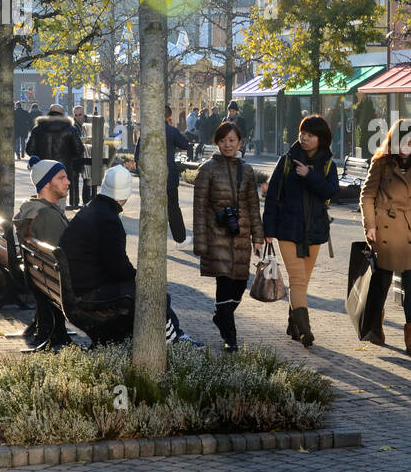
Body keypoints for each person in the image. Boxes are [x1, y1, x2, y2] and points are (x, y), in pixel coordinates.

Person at [59, 165, 193, 346]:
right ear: (126, 193)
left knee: (150, 291)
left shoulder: (92, 209)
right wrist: (140, 277)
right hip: (89, 293)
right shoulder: (108, 220)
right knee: (155, 295)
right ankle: (174, 341)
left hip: (77, 286)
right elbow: (118, 267)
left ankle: (176, 335)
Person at [360, 118, 411, 355]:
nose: (405, 147)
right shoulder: (381, 164)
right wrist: (370, 226)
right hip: (384, 227)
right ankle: (375, 326)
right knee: (381, 281)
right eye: (401, 142)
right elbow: (367, 196)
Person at [262, 114, 338, 348]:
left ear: (321, 139)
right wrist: (268, 229)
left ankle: (293, 323)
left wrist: (310, 176)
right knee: (297, 279)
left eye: (310, 135)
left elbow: (331, 193)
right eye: (302, 133)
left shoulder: (328, 165)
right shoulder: (286, 161)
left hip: (314, 231)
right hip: (288, 229)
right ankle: (306, 331)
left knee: (302, 283)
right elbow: (273, 196)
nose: (304, 138)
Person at [193, 121, 264, 351]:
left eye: (232, 140)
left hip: (241, 236)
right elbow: (200, 208)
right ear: (216, 142)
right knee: (224, 283)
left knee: (239, 285)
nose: (227, 145)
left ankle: (221, 317)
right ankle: (230, 337)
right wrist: (201, 242)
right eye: (222, 141)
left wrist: (258, 237)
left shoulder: (248, 170)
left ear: (240, 142)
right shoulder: (208, 169)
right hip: (217, 235)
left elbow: (254, 206)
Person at [14, 157, 73, 352]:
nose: (68, 182)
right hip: (56, 285)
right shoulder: (47, 216)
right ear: (46, 183)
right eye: (61, 178)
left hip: (43, 281)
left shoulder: (35, 210)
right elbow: (64, 257)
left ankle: (49, 330)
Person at [134, 105, 192, 243]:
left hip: (150, 178)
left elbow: (138, 155)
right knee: (173, 208)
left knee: (152, 209)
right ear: (168, 117)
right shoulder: (171, 131)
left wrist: (142, 174)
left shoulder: (147, 131)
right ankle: (180, 239)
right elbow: (185, 144)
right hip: (169, 176)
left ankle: (152, 240)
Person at [25, 105, 84, 202]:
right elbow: (79, 149)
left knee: (44, 199)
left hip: (43, 172)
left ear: (48, 113)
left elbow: (29, 150)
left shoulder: (37, 129)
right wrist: (69, 156)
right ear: (62, 114)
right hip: (62, 171)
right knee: (60, 201)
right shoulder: (70, 129)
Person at [69, 104, 89, 209]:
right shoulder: (71, 124)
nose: (78, 117)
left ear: (83, 113)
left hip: (88, 154)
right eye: (76, 115)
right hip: (75, 156)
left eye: (80, 114)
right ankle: (74, 203)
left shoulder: (90, 122)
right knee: (73, 180)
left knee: (87, 180)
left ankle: (87, 202)